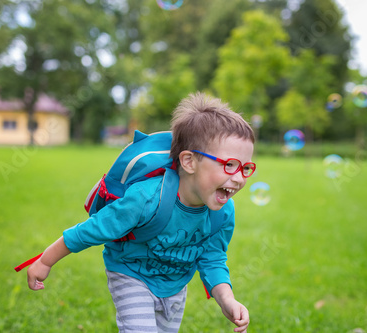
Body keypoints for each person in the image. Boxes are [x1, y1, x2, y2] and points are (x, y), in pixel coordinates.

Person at [27, 92, 255, 332]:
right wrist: (45, 260)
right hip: (130, 273)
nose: (239, 178)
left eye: (246, 167)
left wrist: (227, 300)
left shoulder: (223, 212)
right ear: (188, 162)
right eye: (229, 164)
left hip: (175, 285)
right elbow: (93, 229)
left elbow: (212, 258)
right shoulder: (146, 198)